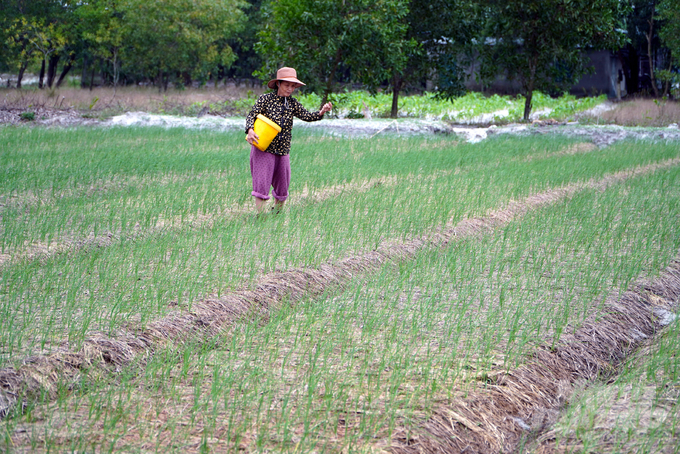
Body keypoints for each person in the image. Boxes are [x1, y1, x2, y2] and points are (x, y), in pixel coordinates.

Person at [245, 67, 332, 213]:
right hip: (263, 147)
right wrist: (250, 130)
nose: (290, 89)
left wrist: (321, 112)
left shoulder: (292, 103)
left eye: (293, 86)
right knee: (261, 184)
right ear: (278, 84)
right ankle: (260, 217)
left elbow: (307, 116)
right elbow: (251, 115)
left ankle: (277, 214)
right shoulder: (265, 99)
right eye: (287, 85)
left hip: (283, 150)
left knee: (283, 185)